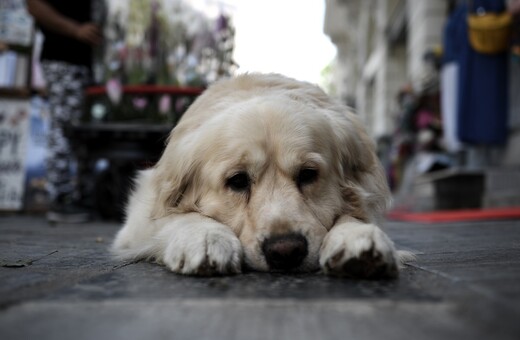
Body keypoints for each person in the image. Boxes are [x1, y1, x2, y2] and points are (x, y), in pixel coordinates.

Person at [26, 0, 104, 223]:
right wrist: (76, 29)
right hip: (63, 59)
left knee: (86, 133)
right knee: (64, 128)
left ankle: (84, 197)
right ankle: (60, 199)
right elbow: (34, 5)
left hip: (89, 64)